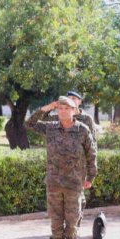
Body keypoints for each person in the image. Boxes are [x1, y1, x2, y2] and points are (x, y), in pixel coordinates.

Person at [27, 96, 97, 239]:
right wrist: (47, 107)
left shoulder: (83, 130)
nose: (63, 111)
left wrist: (90, 177)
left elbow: (92, 154)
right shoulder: (50, 128)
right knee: (56, 221)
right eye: (60, 108)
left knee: (72, 221)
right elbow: (29, 123)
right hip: (54, 183)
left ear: (74, 111)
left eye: (67, 109)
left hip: (74, 184)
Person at [44, 90, 96, 227]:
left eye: (74, 98)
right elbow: (41, 122)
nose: (71, 100)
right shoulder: (60, 117)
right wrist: (49, 107)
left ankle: (74, 226)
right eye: (69, 98)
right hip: (62, 170)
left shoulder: (87, 119)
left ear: (79, 102)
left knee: (79, 199)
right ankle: (67, 228)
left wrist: (90, 170)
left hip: (80, 165)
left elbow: (92, 144)